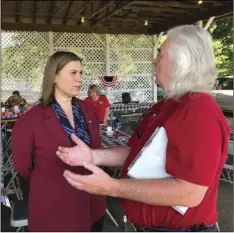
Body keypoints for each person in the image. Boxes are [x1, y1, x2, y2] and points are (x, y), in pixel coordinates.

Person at [56, 25, 230, 232]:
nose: (154, 61)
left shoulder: (198, 111)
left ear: (180, 64)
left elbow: (189, 192)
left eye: (161, 55)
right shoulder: (168, 106)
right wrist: (92, 157)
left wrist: (112, 187)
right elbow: (135, 151)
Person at [12, 51, 106, 232]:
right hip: (55, 210)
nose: (79, 79)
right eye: (73, 73)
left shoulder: (88, 110)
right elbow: (23, 168)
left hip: (93, 204)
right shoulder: (31, 120)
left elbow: (96, 149)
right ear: (54, 76)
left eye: (81, 73)